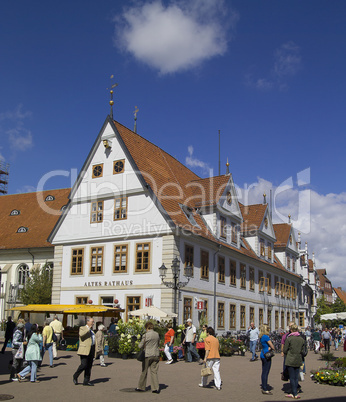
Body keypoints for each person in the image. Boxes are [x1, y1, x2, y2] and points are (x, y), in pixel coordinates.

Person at [136, 321, 160, 393]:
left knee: (144, 371)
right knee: (154, 372)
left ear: (147, 328)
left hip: (147, 354)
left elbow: (140, 345)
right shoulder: (157, 334)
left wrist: (138, 344)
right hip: (155, 354)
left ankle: (141, 387)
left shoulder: (145, 335)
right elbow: (158, 343)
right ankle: (155, 388)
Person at [283, 323, 305, 399]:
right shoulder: (301, 339)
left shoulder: (289, 338)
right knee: (296, 377)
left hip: (290, 359)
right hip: (298, 359)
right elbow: (303, 350)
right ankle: (294, 392)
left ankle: (294, 393)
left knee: (292, 377)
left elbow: (285, 349)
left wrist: (288, 352)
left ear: (291, 330)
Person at [73, 317, 95, 386]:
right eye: (92, 322)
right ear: (88, 322)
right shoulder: (82, 328)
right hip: (84, 350)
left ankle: (86, 381)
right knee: (83, 365)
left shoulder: (92, 331)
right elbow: (81, 335)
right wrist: (88, 328)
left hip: (91, 349)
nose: (93, 323)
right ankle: (75, 376)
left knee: (89, 366)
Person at [199, 326, 221, 391]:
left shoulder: (207, 339)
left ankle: (204, 383)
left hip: (210, 357)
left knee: (206, 370)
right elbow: (218, 348)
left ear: (208, 332)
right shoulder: (216, 339)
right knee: (216, 371)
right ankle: (218, 385)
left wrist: (205, 358)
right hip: (217, 356)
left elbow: (207, 349)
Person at [259, 324, 275, 395]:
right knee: (266, 372)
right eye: (268, 328)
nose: (269, 329)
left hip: (262, 354)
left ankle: (263, 386)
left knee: (263, 371)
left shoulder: (261, 336)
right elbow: (273, 346)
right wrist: (271, 347)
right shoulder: (266, 337)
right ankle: (265, 388)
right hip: (267, 355)